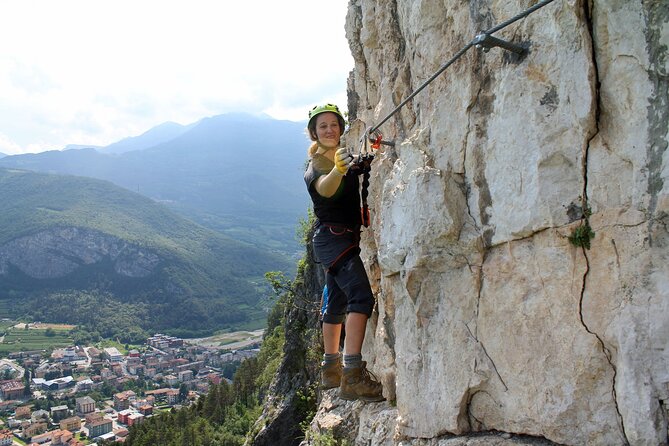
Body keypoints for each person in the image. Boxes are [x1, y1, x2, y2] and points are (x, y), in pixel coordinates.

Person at [303, 103, 384, 402]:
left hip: (335, 240)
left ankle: (330, 370)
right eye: (322, 126)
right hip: (335, 239)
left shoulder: (337, 158)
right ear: (314, 132)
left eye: (333, 124)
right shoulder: (318, 165)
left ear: (340, 128)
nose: (329, 129)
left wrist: (359, 162)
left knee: (335, 301)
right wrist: (340, 169)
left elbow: (351, 174)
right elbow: (325, 188)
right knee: (361, 298)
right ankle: (352, 375)